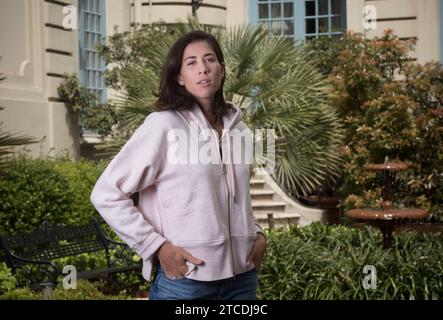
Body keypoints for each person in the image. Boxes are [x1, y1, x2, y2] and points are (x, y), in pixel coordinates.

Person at [90, 30, 267, 300]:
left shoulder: (239, 130)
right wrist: (156, 246)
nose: (203, 69)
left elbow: (238, 197)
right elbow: (106, 193)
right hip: (187, 281)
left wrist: (256, 232)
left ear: (222, 69)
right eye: (191, 63)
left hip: (242, 280)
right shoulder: (163, 125)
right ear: (179, 77)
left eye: (209, 60)